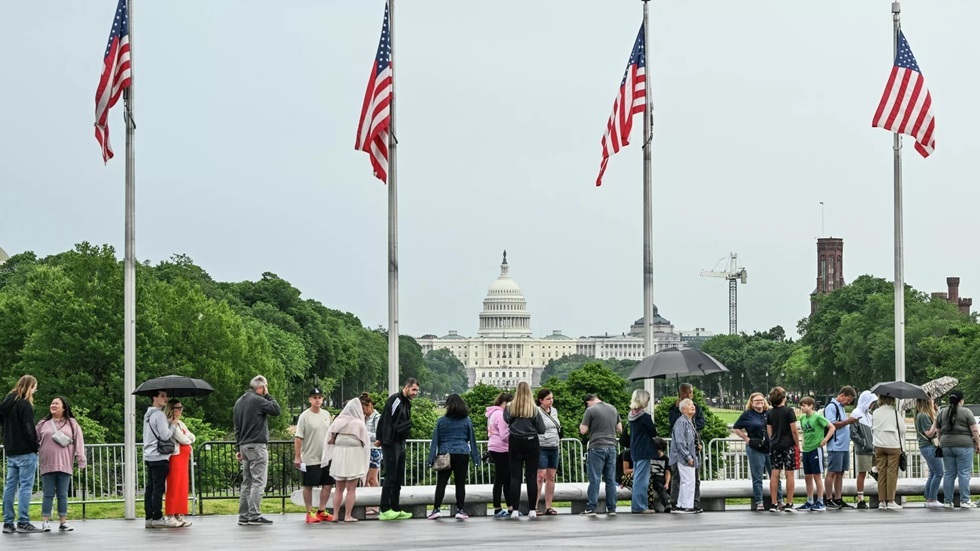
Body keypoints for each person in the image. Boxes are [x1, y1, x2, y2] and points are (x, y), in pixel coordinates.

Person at [233, 375, 282, 526]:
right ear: (260, 388)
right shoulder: (258, 400)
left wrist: (238, 447)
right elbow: (276, 410)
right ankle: (254, 515)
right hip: (257, 445)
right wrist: (268, 395)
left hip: (244, 445)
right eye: (265, 387)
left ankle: (244, 515)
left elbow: (236, 428)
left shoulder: (239, 402)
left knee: (246, 482)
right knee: (258, 481)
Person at [36, 396, 86, 532]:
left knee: (63, 494)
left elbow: (79, 442)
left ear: (64, 407)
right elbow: (34, 440)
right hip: (47, 464)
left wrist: (81, 459)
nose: (53, 405)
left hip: (65, 463)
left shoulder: (72, 424)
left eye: (56, 404)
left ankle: (63, 521)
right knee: (48, 494)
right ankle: (45, 521)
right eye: (52, 403)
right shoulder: (43, 423)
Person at [426, 394, 481, 520]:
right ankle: (460, 510)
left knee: (441, 483)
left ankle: (436, 509)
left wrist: (431, 459)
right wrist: (476, 459)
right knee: (460, 483)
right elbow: (471, 439)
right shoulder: (467, 420)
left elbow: (435, 441)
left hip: (445, 453)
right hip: (462, 453)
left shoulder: (441, 421)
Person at [376, 378, 420, 521]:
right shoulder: (396, 400)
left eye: (417, 390)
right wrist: (383, 439)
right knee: (390, 476)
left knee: (398, 477)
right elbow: (386, 419)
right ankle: (385, 508)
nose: (415, 393)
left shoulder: (406, 403)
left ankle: (395, 507)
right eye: (413, 389)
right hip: (391, 443)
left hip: (400, 442)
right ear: (406, 387)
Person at [323, 397, 372, 523]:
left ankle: (335, 514)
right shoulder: (358, 423)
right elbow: (365, 442)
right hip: (353, 456)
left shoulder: (338, 422)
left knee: (339, 488)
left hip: (339, 455)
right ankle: (348, 515)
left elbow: (330, 439)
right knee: (351, 488)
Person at [928, 390, 980, 508]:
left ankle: (947, 501)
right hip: (964, 445)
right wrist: (978, 443)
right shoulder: (966, 412)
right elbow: (975, 430)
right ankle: (965, 500)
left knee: (949, 474)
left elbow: (938, 431)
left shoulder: (942, 412)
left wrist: (942, 442)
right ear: (961, 400)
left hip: (946, 445)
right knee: (963, 473)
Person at [1, 375, 39, 534]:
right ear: (30, 387)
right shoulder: (25, 405)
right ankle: (23, 521)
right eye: (35, 387)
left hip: (11, 450)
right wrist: (35, 446)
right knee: (25, 487)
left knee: (10, 486)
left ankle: (8, 522)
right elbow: (29, 428)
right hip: (25, 451)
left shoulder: (7, 403)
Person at [733, 392, 781, 511]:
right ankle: (759, 502)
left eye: (761, 400)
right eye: (756, 401)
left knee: (775, 475)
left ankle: (779, 500)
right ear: (752, 403)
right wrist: (746, 438)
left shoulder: (769, 413)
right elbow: (736, 427)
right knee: (757, 476)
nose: (759, 402)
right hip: (755, 447)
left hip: (770, 447)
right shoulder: (747, 414)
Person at [504, 381, 545, 518]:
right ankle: (532, 509)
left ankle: (515, 510)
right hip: (531, 442)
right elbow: (541, 429)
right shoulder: (534, 409)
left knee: (515, 477)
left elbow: (506, 420)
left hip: (515, 441)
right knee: (531, 476)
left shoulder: (510, 407)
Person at [294, 387, 334, 524]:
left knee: (328, 484)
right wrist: (297, 456)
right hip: (310, 456)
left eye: (320, 397)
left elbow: (330, 433)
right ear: (310, 399)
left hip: (325, 456)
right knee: (309, 485)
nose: (318, 400)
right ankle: (309, 511)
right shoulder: (304, 416)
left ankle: (321, 510)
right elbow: (298, 437)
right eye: (315, 397)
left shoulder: (326, 414)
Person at [579, 393, 622, 516]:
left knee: (595, 479)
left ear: (588, 402)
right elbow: (619, 428)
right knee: (610, 480)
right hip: (612, 447)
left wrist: (582, 425)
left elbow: (583, 430)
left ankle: (592, 508)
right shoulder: (613, 408)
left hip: (597, 446)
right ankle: (612, 508)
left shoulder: (590, 410)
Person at [668, 384, 705, 511]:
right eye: (686, 393)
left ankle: (689, 503)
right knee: (684, 480)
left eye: (691, 393)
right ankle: (682, 504)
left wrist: (697, 444)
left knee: (692, 479)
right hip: (683, 455)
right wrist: (688, 456)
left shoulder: (693, 414)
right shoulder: (680, 419)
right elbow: (680, 440)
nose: (689, 395)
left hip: (691, 452)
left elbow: (700, 424)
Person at [821, 386, 856, 509]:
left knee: (840, 472)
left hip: (843, 445)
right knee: (832, 472)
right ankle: (829, 498)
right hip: (835, 445)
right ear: (842, 395)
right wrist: (848, 421)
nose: (849, 402)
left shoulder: (840, 407)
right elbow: (832, 424)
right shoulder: (832, 407)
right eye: (848, 399)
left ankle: (838, 498)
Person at [798, 396, 834, 512]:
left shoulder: (818, 417)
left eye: (804, 405)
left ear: (811, 406)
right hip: (806, 449)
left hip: (815, 449)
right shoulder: (802, 418)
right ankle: (809, 500)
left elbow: (832, 427)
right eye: (801, 405)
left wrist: (825, 440)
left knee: (817, 475)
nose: (802, 408)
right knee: (807, 476)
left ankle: (820, 500)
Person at [766, 386, 799, 512]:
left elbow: (769, 431)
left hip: (775, 445)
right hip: (788, 444)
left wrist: (773, 440)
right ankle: (789, 503)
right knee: (789, 473)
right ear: (784, 398)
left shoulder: (770, 412)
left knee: (775, 474)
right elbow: (794, 430)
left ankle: (774, 503)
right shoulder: (789, 411)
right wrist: (797, 444)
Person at [871, 395, 907, 509]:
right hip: (893, 445)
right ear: (892, 399)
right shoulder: (895, 413)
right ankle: (891, 500)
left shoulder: (875, 412)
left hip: (878, 445)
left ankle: (881, 501)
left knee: (881, 472)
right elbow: (903, 429)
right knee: (891, 473)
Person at [164, 398, 196, 527]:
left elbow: (192, 437)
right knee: (174, 485)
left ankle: (180, 513)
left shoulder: (180, 423)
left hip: (183, 458)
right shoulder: (169, 423)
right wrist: (188, 439)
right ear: (171, 409)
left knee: (182, 486)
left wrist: (188, 439)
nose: (180, 410)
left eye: (181, 408)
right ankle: (171, 514)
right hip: (175, 458)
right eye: (178, 408)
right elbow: (183, 439)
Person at [627, 389, 657, 514]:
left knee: (637, 478)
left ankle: (637, 504)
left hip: (635, 449)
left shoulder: (631, 415)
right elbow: (653, 432)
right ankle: (640, 506)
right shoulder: (645, 416)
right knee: (642, 480)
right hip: (645, 449)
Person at [485, 392, 513, 518]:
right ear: (506, 403)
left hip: (494, 446)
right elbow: (504, 434)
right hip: (502, 448)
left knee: (504, 479)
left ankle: (509, 507)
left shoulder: (492, 413)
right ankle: (498, 508)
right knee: (502, 479)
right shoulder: (501, 415)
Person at [849, 390, 877, 509]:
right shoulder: (856, 413)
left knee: (875, 469)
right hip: (863, 449)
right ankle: (860, 498)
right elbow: (853, 433)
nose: (873, 405)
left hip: (871, 448)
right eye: (872, 402)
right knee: (862, 473)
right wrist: (864, 443)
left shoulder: (869, 415)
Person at [535, 388, 561, 515]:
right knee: (540, 476)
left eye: (552, 398)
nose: (551, 401)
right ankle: (534, 506)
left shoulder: (554, 411)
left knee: (551, 476)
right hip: (541, 446)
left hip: (554, 446)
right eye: (548, 399)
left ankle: (548, 506)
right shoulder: (536, 411)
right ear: (541, 400)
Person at [914, 397, 943, 508]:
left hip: (926, 447)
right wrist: (936, 420)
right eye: (931, 400)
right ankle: (932, 499)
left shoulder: (921, 415)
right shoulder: (924, 416)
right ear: (926, 402)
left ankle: (928, 497)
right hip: (929, 446)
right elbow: (929, 434)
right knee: (939, 472)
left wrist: (935, 413)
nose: (933, 401)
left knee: (932, 472)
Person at [360, 393, 382, 515]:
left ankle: (376, 504)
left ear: (369, 405)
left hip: (374, 449)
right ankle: (369, 503)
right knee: (366, 479)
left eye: (364, 408)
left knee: (372, 478)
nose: (363, 411)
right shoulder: (363, 418)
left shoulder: (376, 417)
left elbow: (378, 435)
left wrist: (365, 434)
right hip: (365, 449)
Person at [649, 438, 671, 513]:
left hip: (662, 478)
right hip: (654, 478)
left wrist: (667, 483)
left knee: (670, 486)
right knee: (660, 487)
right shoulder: (650, 457)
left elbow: (667, 472)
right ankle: (666, 504)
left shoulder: (666, 459)